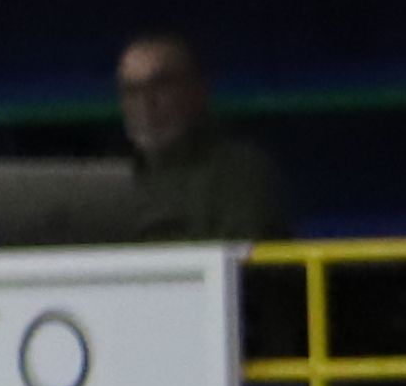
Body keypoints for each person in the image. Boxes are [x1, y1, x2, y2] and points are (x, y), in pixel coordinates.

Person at [111, 31, 284, 245]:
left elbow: (236, 261)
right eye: (131, 91)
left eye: (161, 86)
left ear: (196, 90)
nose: (145, 104)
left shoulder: (242, 171)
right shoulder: (109, 177)